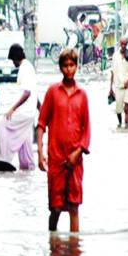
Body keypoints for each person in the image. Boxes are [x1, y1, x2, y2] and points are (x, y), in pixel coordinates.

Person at [37, 48, 91, 233]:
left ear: (76, 67)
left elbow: (87, 129)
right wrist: (40, 153)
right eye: (66, 65)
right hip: (56, 159)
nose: (69, 69)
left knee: (74, 206)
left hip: (75, 160)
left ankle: (75, 250)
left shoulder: (82, 95)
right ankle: (53, 242)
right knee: (56, 208)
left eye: (72, 65)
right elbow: (41, 124)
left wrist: (79, 151)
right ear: (60, 68)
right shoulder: (52, 92)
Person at [0, 43, 38, 169]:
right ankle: (28, 167)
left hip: (25, 112)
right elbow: (34, 94)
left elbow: (27, 93)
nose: (12, 63)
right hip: (30, 113)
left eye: (12, 60)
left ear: (16, 58)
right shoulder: (28, 67)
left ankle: (4, 160)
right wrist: (41, 111)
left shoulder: (25, 69)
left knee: (2, 124)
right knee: (25, 141)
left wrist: (12, 109)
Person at [109, 37, 128, 129]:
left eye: (125, 44)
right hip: (118, 86)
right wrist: (110, 88)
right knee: (118, 109)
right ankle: (120, 123)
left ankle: (127, 124)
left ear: (127, 44)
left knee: (126, 105)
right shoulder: (115, 56)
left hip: (127, 85)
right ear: (120, 44)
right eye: (122, 44)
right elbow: (112, 72)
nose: (123, 46)